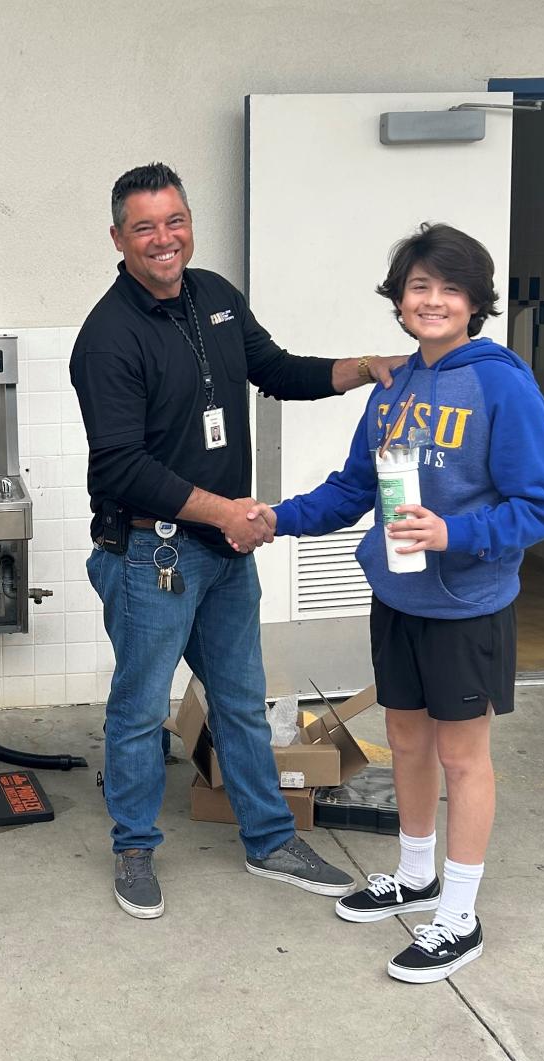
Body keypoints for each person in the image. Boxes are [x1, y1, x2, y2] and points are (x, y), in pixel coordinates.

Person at [69, 162, 397, 920]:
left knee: (243, 703)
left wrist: (364, 367)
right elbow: (119, 466)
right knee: (139, 709)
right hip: (152, 556)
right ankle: (133, 848)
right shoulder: (108, 337)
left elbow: (275, 369)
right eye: (144, 227)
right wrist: (223, 512)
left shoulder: (214, 295)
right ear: (117, 238)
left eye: (175, 221)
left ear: (190, 223)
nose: (163, 239)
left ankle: (270, 840)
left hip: (223, 555)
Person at [258, 222, 544, 982]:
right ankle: (415, 872)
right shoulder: (392, 387)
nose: (433, 301)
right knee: (405, 742)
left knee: (463, 758)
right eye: (419, 287)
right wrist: (274, 518)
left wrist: (454, 533)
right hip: (398, 596)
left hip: (467, 606)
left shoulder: (500, 383)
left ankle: (459, 914)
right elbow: (352, 489)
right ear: (398, 300)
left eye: (450, 288)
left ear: (475, 302)